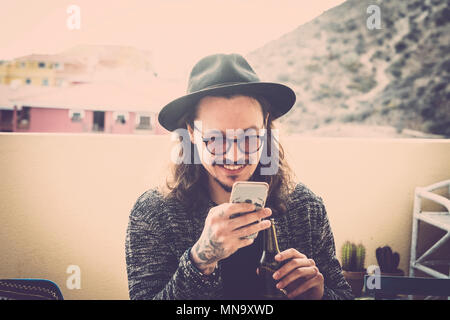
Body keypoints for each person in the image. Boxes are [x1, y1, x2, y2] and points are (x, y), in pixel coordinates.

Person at [125, 53, 354, 300]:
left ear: (266, 128)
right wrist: (201, 260)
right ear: (190, 132)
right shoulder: (154, 214)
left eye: (249, 137)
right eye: (215, 139)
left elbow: (342, 294)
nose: (234, 156)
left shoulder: (306, 208)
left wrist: (319, 296)